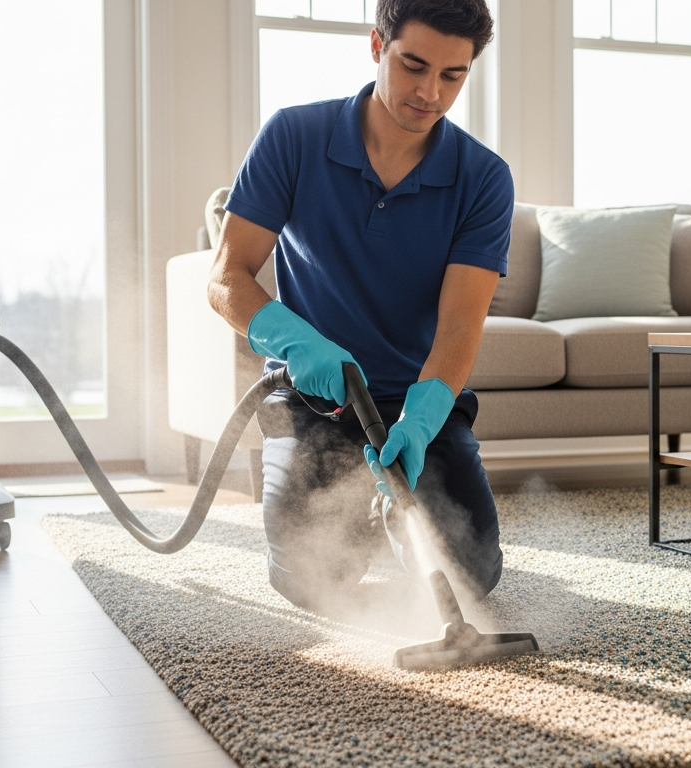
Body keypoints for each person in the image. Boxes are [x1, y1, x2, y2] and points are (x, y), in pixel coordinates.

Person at [207, 0, 512, 613]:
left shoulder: (483, 178)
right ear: (377, 45)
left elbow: (458, 327)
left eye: (453, 75)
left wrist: (423, 418)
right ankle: (363, 520)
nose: (429, 92)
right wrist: (296, 342)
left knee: (469, 577)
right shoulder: (294, 137)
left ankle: (399, 510)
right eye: (413, 65)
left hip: (415, 409)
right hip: (316, 397)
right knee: (310, 581)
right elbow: (226, 277)